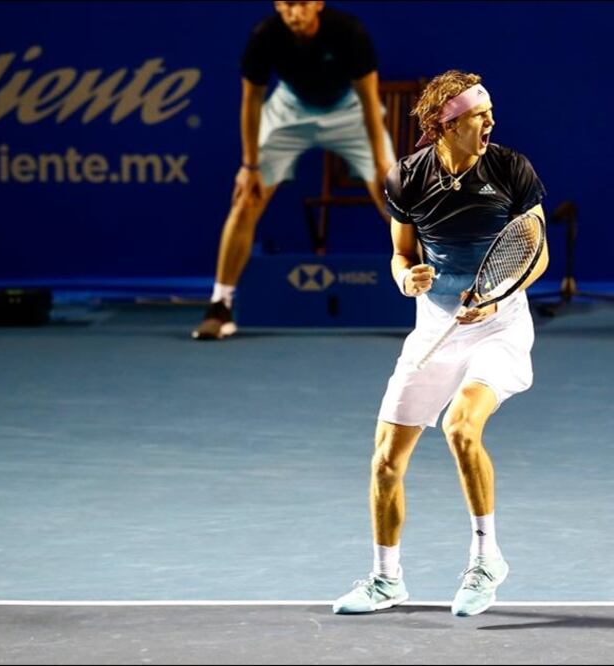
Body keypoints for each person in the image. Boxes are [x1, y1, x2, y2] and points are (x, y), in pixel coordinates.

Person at [332, 70, 549, 617]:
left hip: (500, 325)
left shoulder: (510, 169)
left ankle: (486, 558)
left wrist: (500, 294)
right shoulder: (407, 178)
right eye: (480, 116)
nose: (491, 123)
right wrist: (405, 278)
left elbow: (537, 252)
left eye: (490, 112)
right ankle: (386, 580)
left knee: (460, 426)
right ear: (445, 125)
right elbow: (401, 254)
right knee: (385, 459)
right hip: (435, 328)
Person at [192, 1, 395, 340]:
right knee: (246, 200)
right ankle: (220, 304)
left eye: (301, 4)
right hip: (290, 111)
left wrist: (380, 164)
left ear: (318, 4)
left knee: (395, 201)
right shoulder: (265, 35)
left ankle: (436, 300)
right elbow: (251, 100)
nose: (294, 12)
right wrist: (249, 165)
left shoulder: (348, 32)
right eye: (287, 5)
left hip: (350, 112)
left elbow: (368, 98)